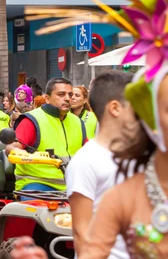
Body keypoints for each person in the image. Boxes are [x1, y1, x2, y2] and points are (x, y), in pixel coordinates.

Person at [65, 71, 134, 259]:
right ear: (115, 108)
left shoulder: (139, 155)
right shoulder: (86, 162)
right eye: (136, 104)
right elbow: (82, 234)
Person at [5, 78, 87, 195]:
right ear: (47, 99)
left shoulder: (77, 122)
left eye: (70, 94)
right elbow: (10, 148)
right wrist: (19, 152)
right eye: (61, 94)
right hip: (37, 184)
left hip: (73, 185)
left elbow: (90, 150)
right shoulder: (32, 120)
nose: (68, 98)